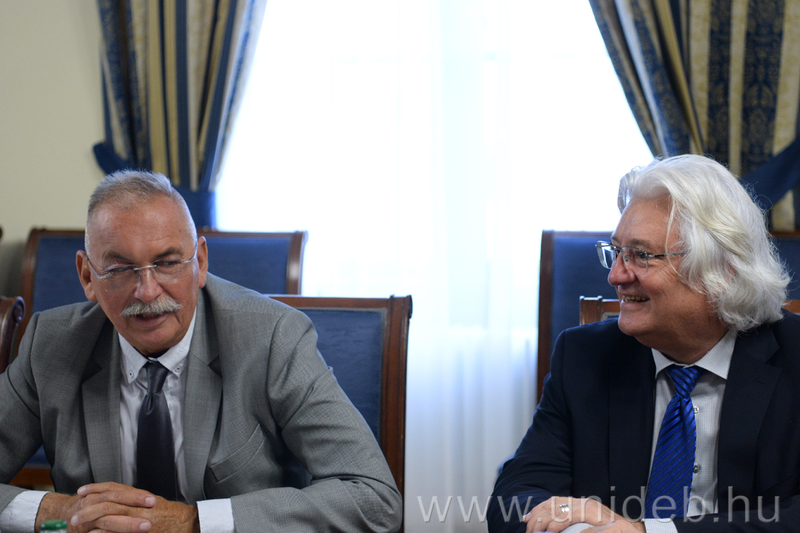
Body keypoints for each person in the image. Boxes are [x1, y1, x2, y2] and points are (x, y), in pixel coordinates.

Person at [0, 170, 402, 533]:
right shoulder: (51, 344)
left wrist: (192, 522)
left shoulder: (272, 338)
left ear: (201, 262)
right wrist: (59, 511)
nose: (147, 292)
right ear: (88, 276)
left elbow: (373, 498)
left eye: (167, 263)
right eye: (121, 269)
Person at [488, 154, 800, 533]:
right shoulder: (584, 357)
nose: (616, 276)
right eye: (616, 252)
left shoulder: (793, 356)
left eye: (641, 255)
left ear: (721, 269)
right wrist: (581, 529)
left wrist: (645, 531)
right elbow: (516, 495)